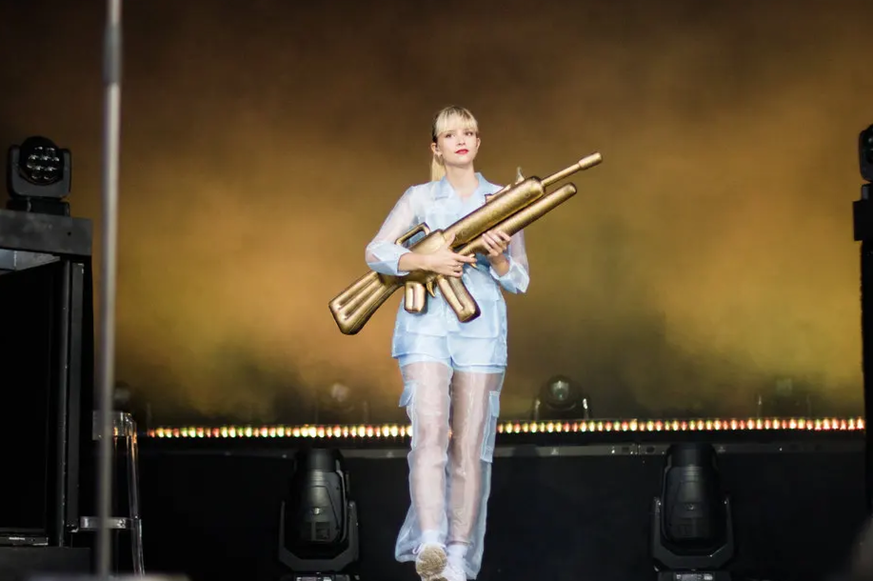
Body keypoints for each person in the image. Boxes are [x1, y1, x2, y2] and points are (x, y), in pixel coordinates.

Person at [364, 105, 530, 581]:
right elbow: (376, 250)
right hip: (425, 327)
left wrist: (498, 261)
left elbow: (520, 280)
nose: (462, 139)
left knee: (471, 447)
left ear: (479, 143)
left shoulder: (505, 198)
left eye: (470, 132)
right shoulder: (419, 198)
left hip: (481, 330)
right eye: (450, 134)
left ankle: (459, 553)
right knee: (430, 434)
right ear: (436, 148)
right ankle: (431, 543)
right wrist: (427, 260)